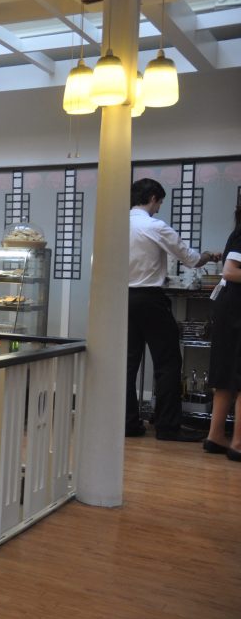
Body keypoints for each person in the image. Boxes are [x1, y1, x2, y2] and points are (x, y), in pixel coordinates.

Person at [126, 177, 219, 442]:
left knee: (129, 362)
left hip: (123, 298)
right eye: (159, 203)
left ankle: (128, 423)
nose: (159, 208)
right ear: (153, 198)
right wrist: (208, 256)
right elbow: (190, 259)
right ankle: (167, 427)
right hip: (150, 299)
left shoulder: (117, 225)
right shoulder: (155, 226)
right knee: (168, 362)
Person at [203, 205, 241, 462]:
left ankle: (215, 436)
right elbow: (230, 270)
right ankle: (238, 443)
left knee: (227, 373)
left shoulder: (236, 232)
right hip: (236, 308)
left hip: (229, 308)